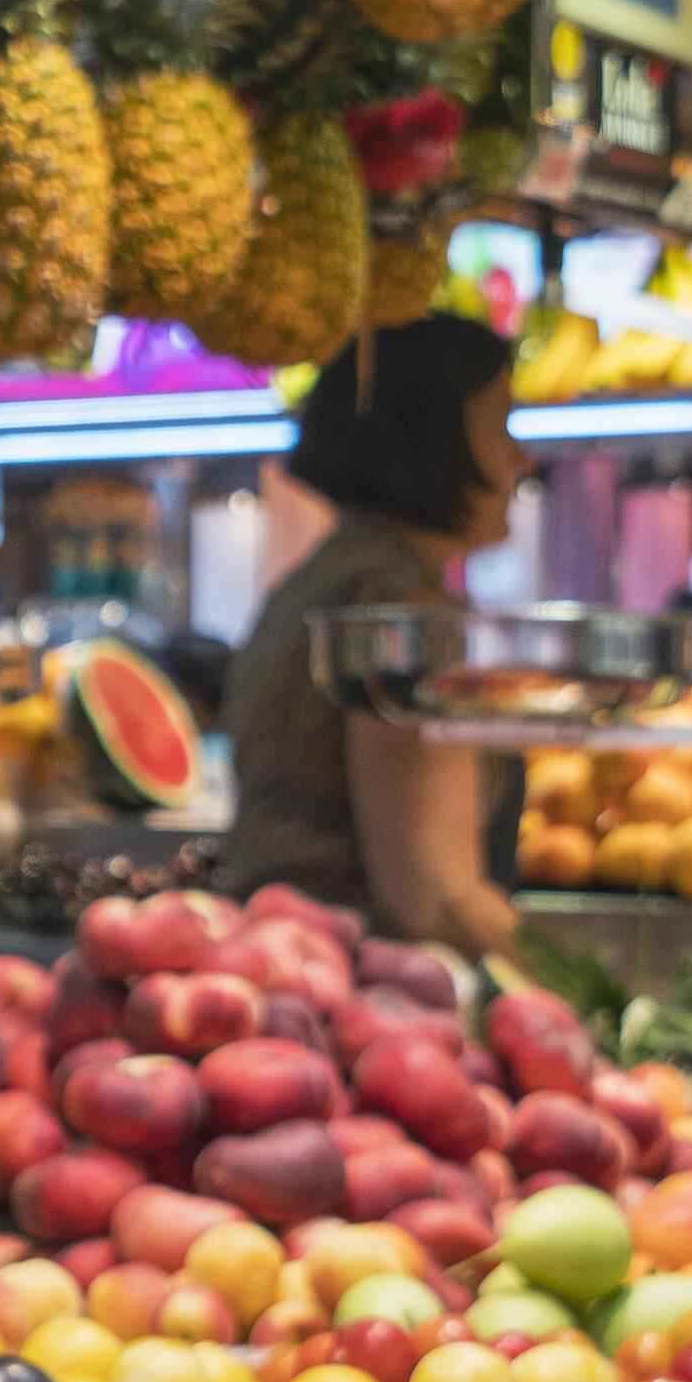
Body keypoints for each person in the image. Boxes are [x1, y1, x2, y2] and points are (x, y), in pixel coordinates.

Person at [216, 312, 529, 953]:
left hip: (283, 964)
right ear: (433, 438)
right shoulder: (399, 610)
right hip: (355, 986)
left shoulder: (325, 578)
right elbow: (430, 901)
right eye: (499, 425)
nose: (522, 461)